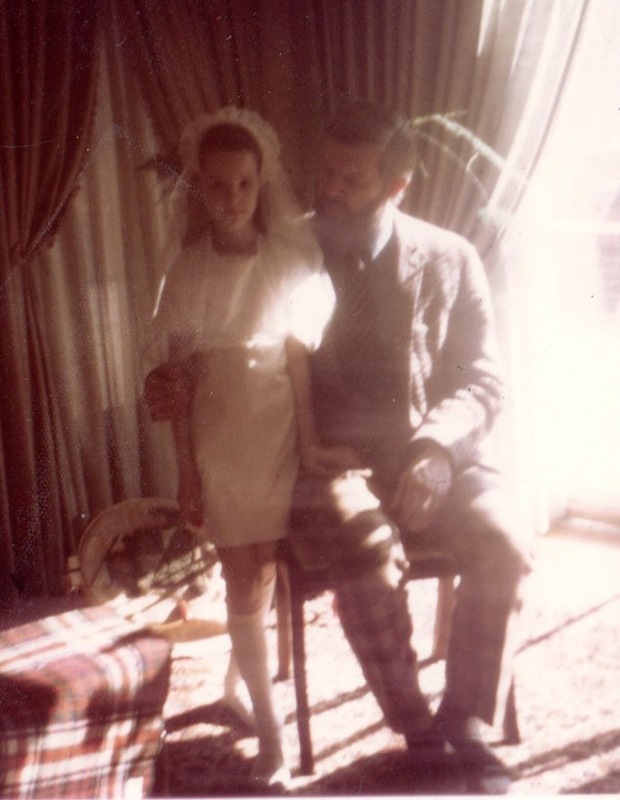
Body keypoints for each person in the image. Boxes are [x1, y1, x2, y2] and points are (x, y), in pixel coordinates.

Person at [290, 100, 531, 793]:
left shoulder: (452, 256)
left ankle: (467, 721)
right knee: (365, 559)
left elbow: (483, 380)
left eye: (354, 178)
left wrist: (436, 451)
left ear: (397, 185)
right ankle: (416, 726)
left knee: (506, 540)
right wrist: (307, 443)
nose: (332, 189)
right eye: (327, 172)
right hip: (338, 462)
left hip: (439, 455)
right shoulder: (291, 252)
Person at [142, 107, 355, 788]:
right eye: (218, 185)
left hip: (279, 432)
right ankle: (271, 735)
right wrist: (186, 471)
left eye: (244, 184)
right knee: (244, 573)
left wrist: (311, 443)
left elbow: (296, 365)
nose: (232, 199)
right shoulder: (188, 273)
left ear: (261, 185)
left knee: (262, 573)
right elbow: (179, 384)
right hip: (222, 439)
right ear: (199, 186)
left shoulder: (288, 262)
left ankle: (238, 686)